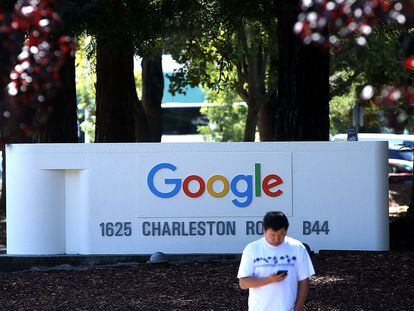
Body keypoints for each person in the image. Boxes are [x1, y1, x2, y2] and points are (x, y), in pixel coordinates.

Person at [237, 211, 314, 311]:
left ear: (286, 231)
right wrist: (269, 280)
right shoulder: (252, 249)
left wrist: (298, 307)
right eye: (272, 235)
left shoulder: (297, 247)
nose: (277, 238)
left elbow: (304, 280)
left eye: (281, 234)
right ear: (264, 231)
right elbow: (243, 283)